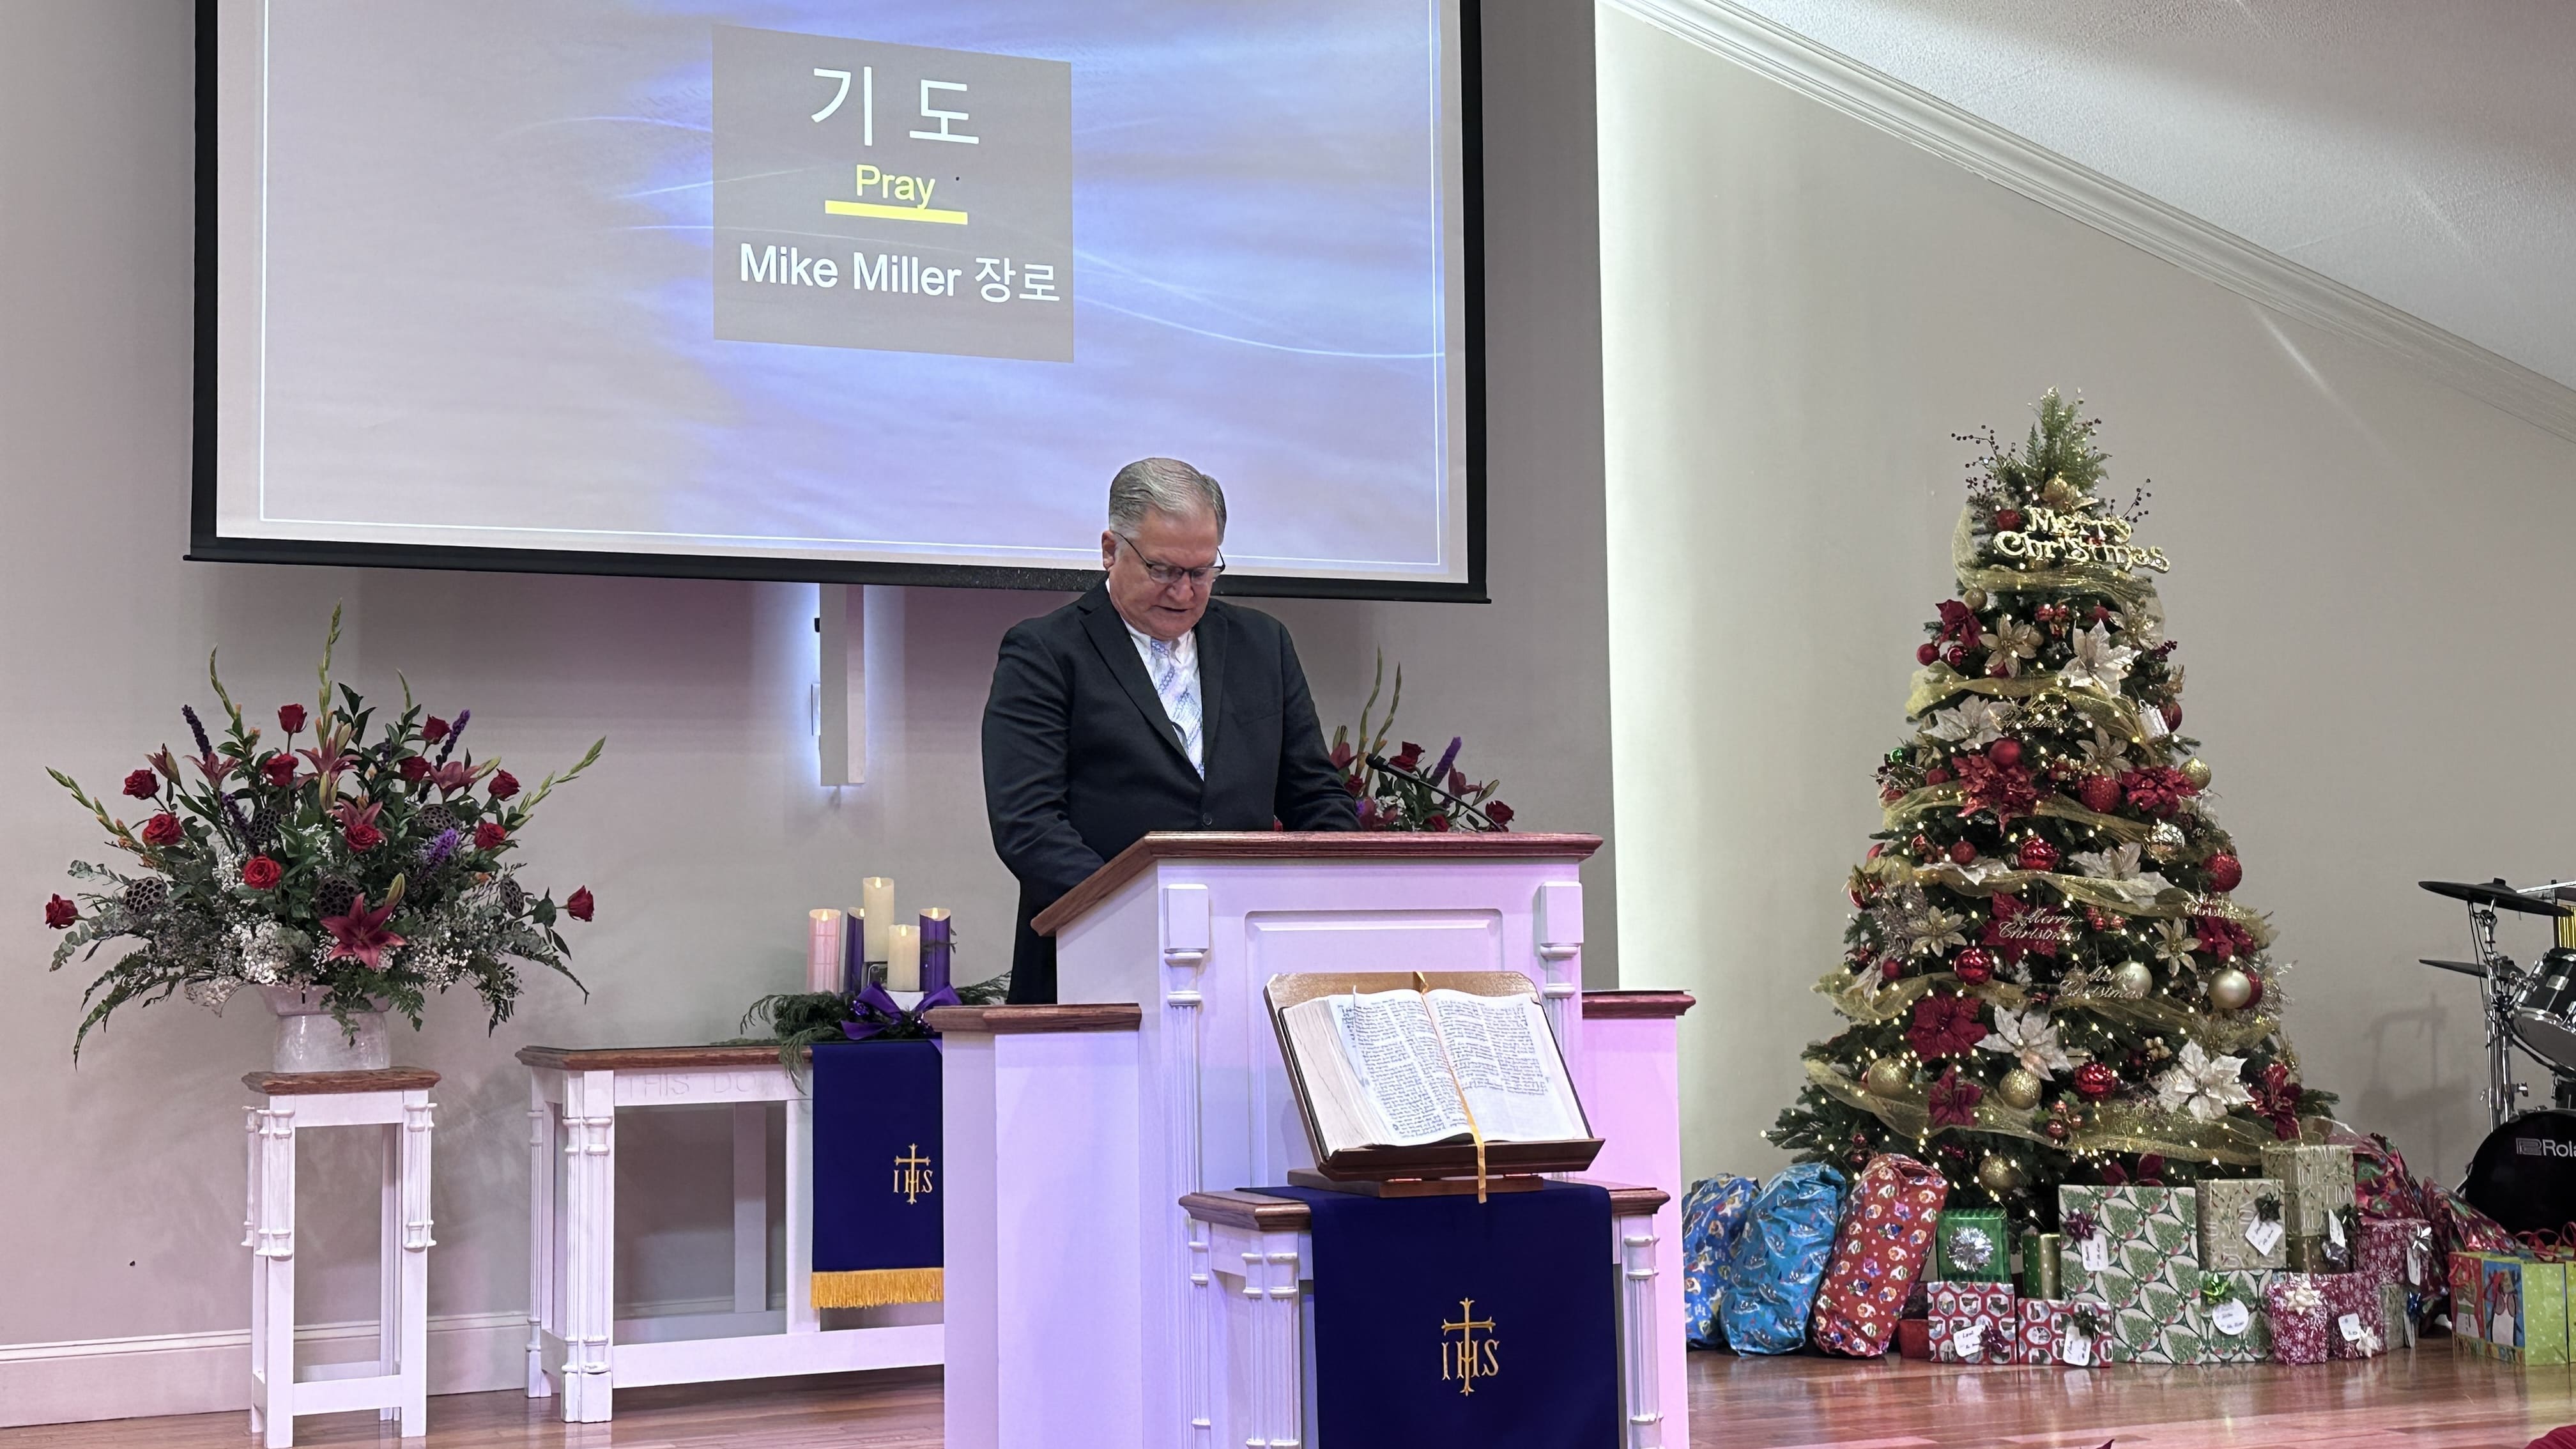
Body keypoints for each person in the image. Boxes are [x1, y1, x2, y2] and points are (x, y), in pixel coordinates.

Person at [981, 457, 1357, 1002]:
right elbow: (1029, 825)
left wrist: (1328, 899)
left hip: (1245, 966)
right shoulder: (1045, 652)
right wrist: (1143, 916)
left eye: (1201, 573)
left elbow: (1316, 797)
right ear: (1110, 550)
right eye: (1163, 571)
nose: (1183, 592)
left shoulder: (1263, 644)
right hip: (1095, 963)